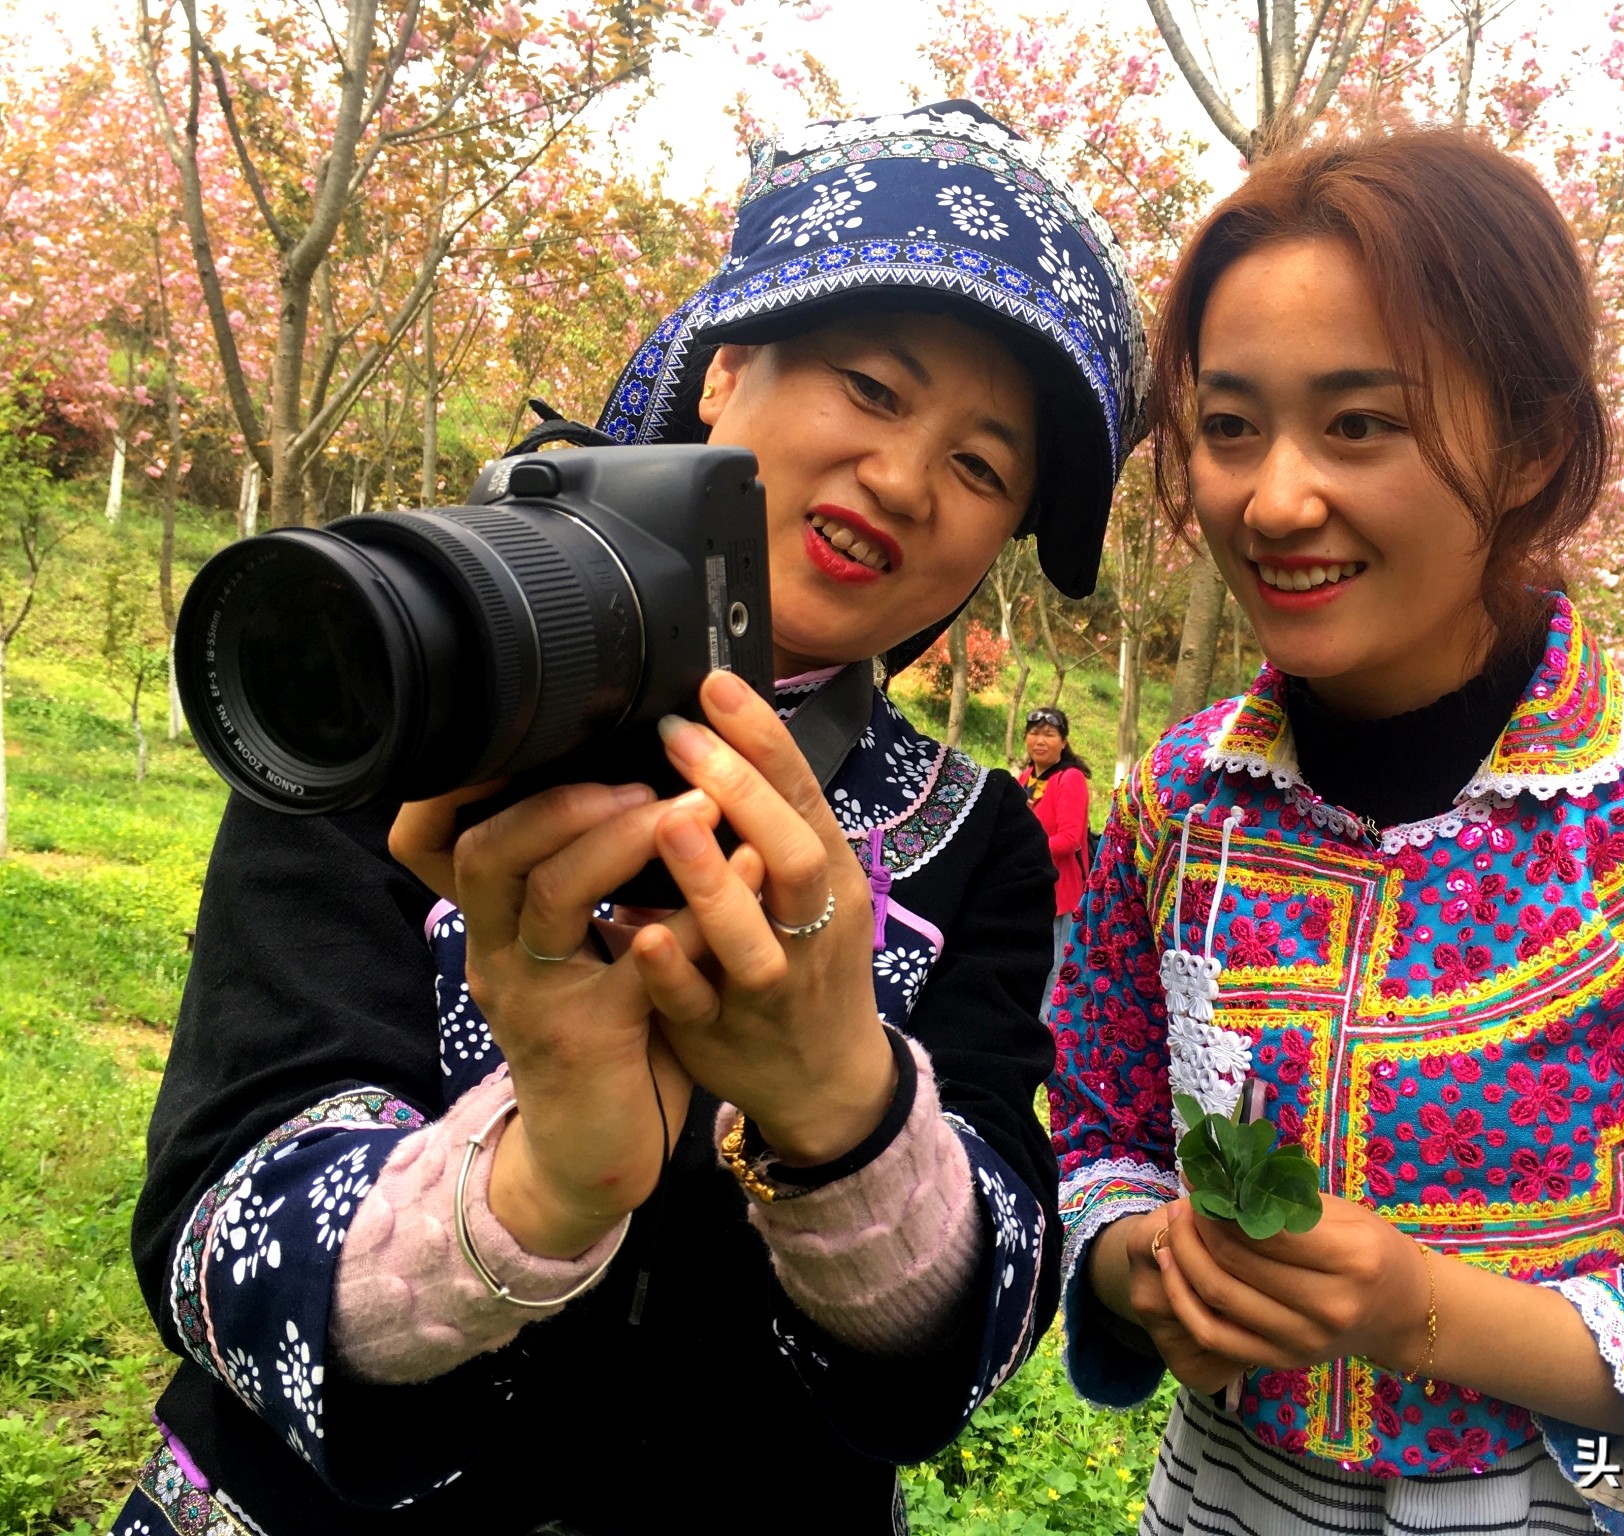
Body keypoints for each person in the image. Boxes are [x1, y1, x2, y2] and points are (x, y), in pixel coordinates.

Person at [118, 100, 1146, 1536]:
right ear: (725, 371)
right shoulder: (422, 685)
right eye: (868, 385)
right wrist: (533, 1186)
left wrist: (841, 1101)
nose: (907, 479)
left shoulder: (971, 841)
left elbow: (967, 1349)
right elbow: (209, 1224)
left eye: (985, 467)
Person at [1049, 131, 1624, 1536]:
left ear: (1534, 445)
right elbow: (1104, 1136)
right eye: (1229, 424)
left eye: (1362, 424)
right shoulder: (1171, 811)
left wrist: (1420, 1312)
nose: (1273, 500)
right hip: (1231, 1500)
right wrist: (1147, 1266)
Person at [1016, 705, 1091, 1017]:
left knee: (1054, 970)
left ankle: (1049, 1039)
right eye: (1034, 733)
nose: (1040, 741)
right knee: (1027, 964)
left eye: (1049, 734)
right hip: (1028, 889)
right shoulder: (1024, 778)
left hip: (1059, 891)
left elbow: (1070, 838)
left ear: (1063, 742)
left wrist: (1026, 850)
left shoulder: (1070, 779)